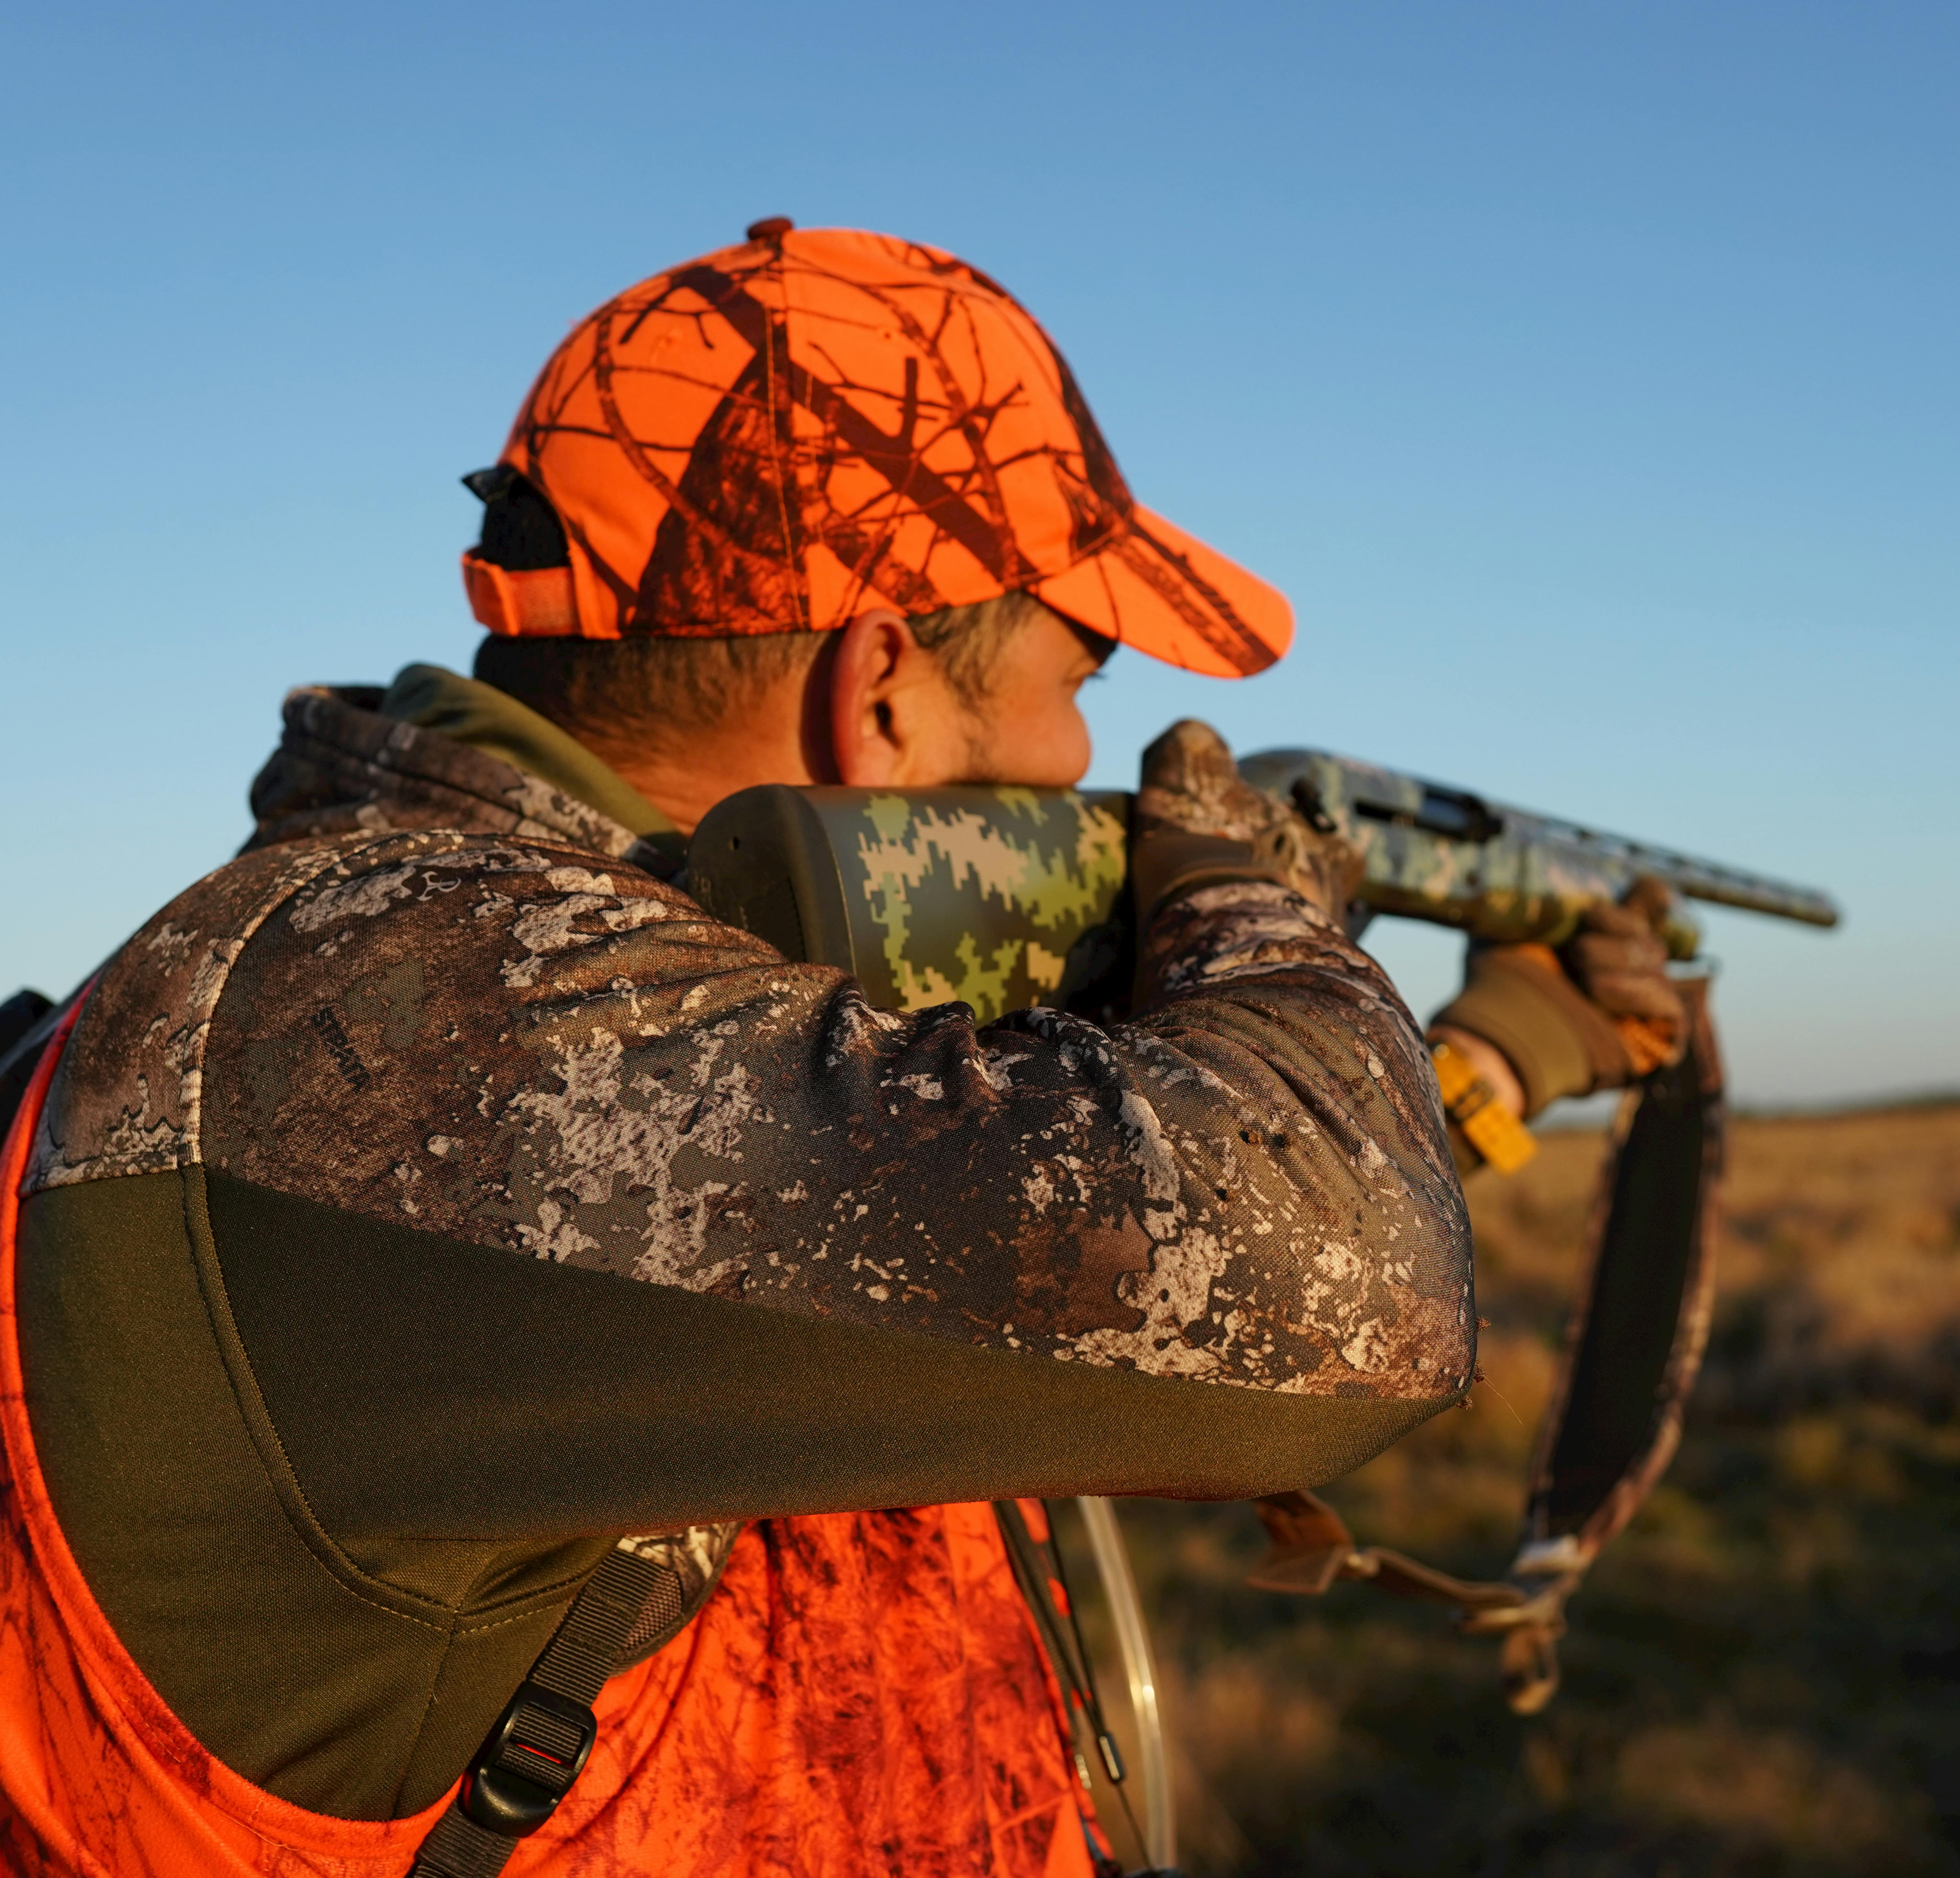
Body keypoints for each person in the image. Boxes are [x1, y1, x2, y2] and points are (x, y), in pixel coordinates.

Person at [0, 220, 1669, 1878]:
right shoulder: (398, 1006)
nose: (1095, 749)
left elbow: (1045, 1240)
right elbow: (1334, 1284)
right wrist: (1247, 892)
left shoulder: (602, 1013)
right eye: (1080, 672)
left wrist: (1495, 1060)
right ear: (879, 689)